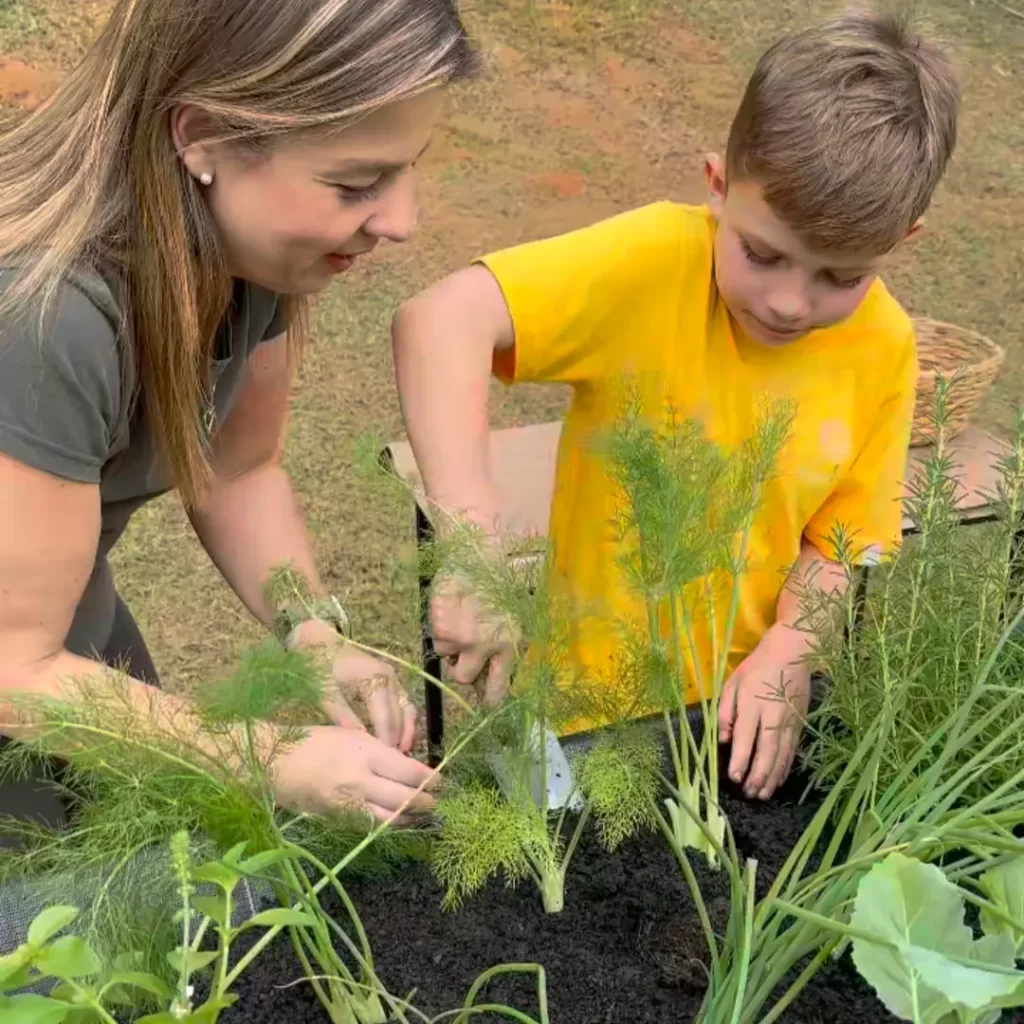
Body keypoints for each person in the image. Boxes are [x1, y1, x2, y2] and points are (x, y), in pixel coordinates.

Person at [391, 10, 960, 800]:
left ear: (905, 239)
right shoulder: (657, 265)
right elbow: (437, 323)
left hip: (736, 717)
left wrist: (789, 651)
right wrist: (470, 546)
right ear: (720, 185)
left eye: (840, 276)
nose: (793, 303)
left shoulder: (884, 345)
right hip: (582, 709)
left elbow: (841, 542)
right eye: (763, 254)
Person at [0, 0, 479, 831]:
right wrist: (263, 755)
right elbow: (13, 669)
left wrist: (314, 635)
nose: (403, 222)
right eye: (356, 183)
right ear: (204, 138)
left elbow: (239, 469)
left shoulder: (252, 257)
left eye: (409, 170)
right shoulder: (48, 317)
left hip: (53, 620)